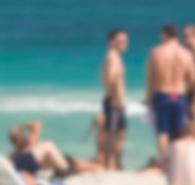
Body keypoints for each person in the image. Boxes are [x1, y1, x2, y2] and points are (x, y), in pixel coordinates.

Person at [146, 24, 195, 159]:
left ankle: (165, 162)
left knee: (163, 132)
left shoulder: (156, 52)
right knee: (179, 131)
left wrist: (149, 98)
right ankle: (177, 159)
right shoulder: (186, 54)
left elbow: (150, 78)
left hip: (162, 94)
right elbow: (192, 79)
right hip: (179, 95)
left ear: (164, 34)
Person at [7, 120, 101, 184]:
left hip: (62, 165)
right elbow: (37, 123)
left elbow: (36, 124)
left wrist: (17, 130)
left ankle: (98, 164)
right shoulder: (29, 145)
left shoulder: (21, 150)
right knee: (86, 165)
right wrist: (20, 128)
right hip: (63, 167)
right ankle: (99, 164)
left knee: (88, 165)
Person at [100, 29, 129, 169]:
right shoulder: (112, 56)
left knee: (120, 134)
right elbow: (109, 79)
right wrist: (115, 99)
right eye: (120, 41)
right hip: (114, 102)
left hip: (117, 101)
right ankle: (110, 165)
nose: (124, 43)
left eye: (125, 40)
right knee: (113, 135)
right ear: (112, 42)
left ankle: (117, 164)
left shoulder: (115, 56)